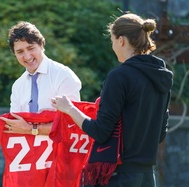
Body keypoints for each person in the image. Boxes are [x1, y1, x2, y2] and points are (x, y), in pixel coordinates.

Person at [51, 13, 173, 187]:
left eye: (112, 40)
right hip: (147, 177)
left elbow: (100, 131)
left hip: (118, 176)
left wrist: (69, 108)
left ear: (121, 40)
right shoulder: (162, 75)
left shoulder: (120, 76)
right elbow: (160, 134)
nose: (113, 46)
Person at [0, 21, 82, 186]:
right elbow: (15, 128)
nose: (27, 56)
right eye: (20, 52)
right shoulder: (18, 86)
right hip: (29, 169)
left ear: (41, 44)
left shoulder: (63, 75)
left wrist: (31, 129)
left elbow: (72, 125)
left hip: (60, 166)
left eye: (31, 48)